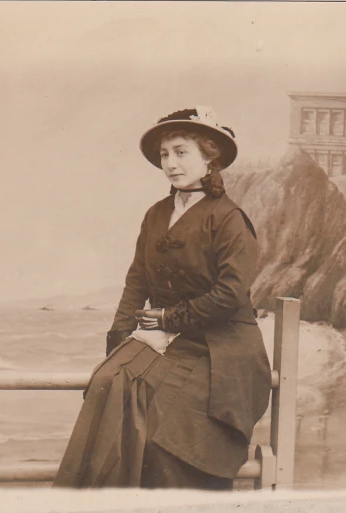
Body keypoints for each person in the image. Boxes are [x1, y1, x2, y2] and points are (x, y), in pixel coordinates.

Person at [54, 106, 271, 490]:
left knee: (164, 433)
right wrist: (120, 337)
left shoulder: (229, 218)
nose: (170, 163)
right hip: (175, 340)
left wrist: (169, 319)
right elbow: (137, 280)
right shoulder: (156, 214)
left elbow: (231, 293)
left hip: (224, 349)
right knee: (109, 381)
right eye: (164, 155)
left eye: (181, 152)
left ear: (209, 157)